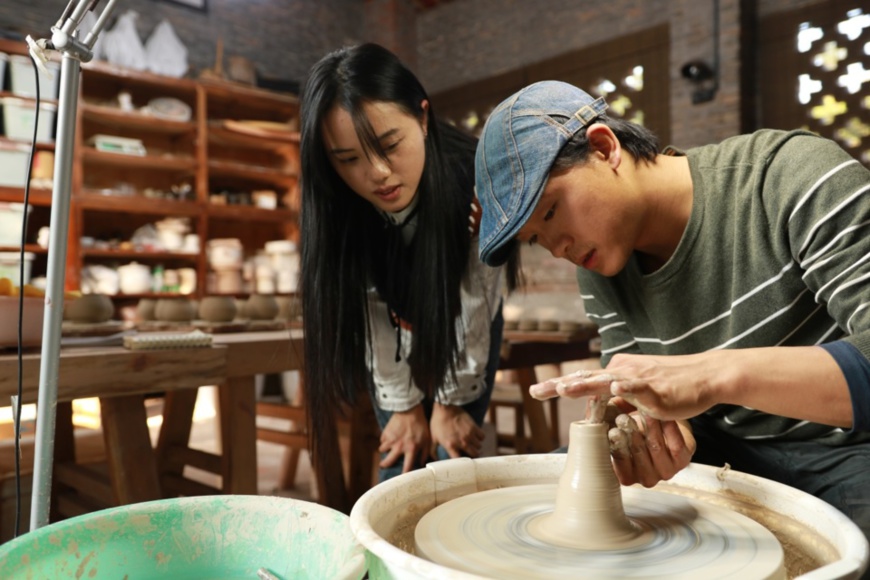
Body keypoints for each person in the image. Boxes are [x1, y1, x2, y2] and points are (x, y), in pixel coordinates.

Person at [473, 80, 870, 547]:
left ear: (604, 148)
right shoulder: (599, 268)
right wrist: (639, 429)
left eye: (553, 211)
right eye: (537, 239)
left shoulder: (786, 176)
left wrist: (711, 375)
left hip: (845, 448)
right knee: (557, 482)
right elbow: (642, 401)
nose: (558, 248)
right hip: (722, 448)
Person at [299, 43, 518, 485]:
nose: (377, 172)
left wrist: (450, 404)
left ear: (421, 117)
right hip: (393, 322)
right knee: (401, 459)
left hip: (464, 308)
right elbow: (372, 310)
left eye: (389, 145)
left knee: (449, 455)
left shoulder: (477, 181)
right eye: (349, 160)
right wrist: (402, 406)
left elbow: (475, 299)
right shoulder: (337, 203)